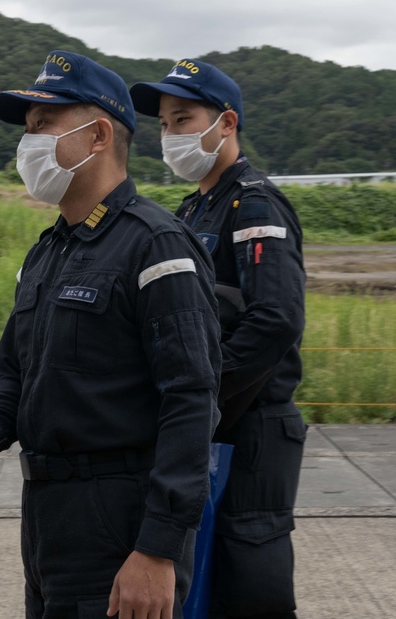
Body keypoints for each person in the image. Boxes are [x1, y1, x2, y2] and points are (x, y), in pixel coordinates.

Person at [0, 50, 221, 619]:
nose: (29, 142)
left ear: (97, 136)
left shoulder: (155, 245)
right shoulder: (46, 253)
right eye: (27, 129)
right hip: (47, 517)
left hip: (120, 521)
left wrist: (157, 549)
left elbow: (191, 401)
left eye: (44, 125)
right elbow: (15, 373)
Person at [130, 60, 306, 619]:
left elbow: (274, 319)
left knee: (249, 576)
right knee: (202, 576)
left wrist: (201, 394)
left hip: (252, 425)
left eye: (184, 119)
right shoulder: (195, 206)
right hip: (216, 423)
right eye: (163, 124)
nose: (170, 135)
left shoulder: (253, 204)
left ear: (226, 123)